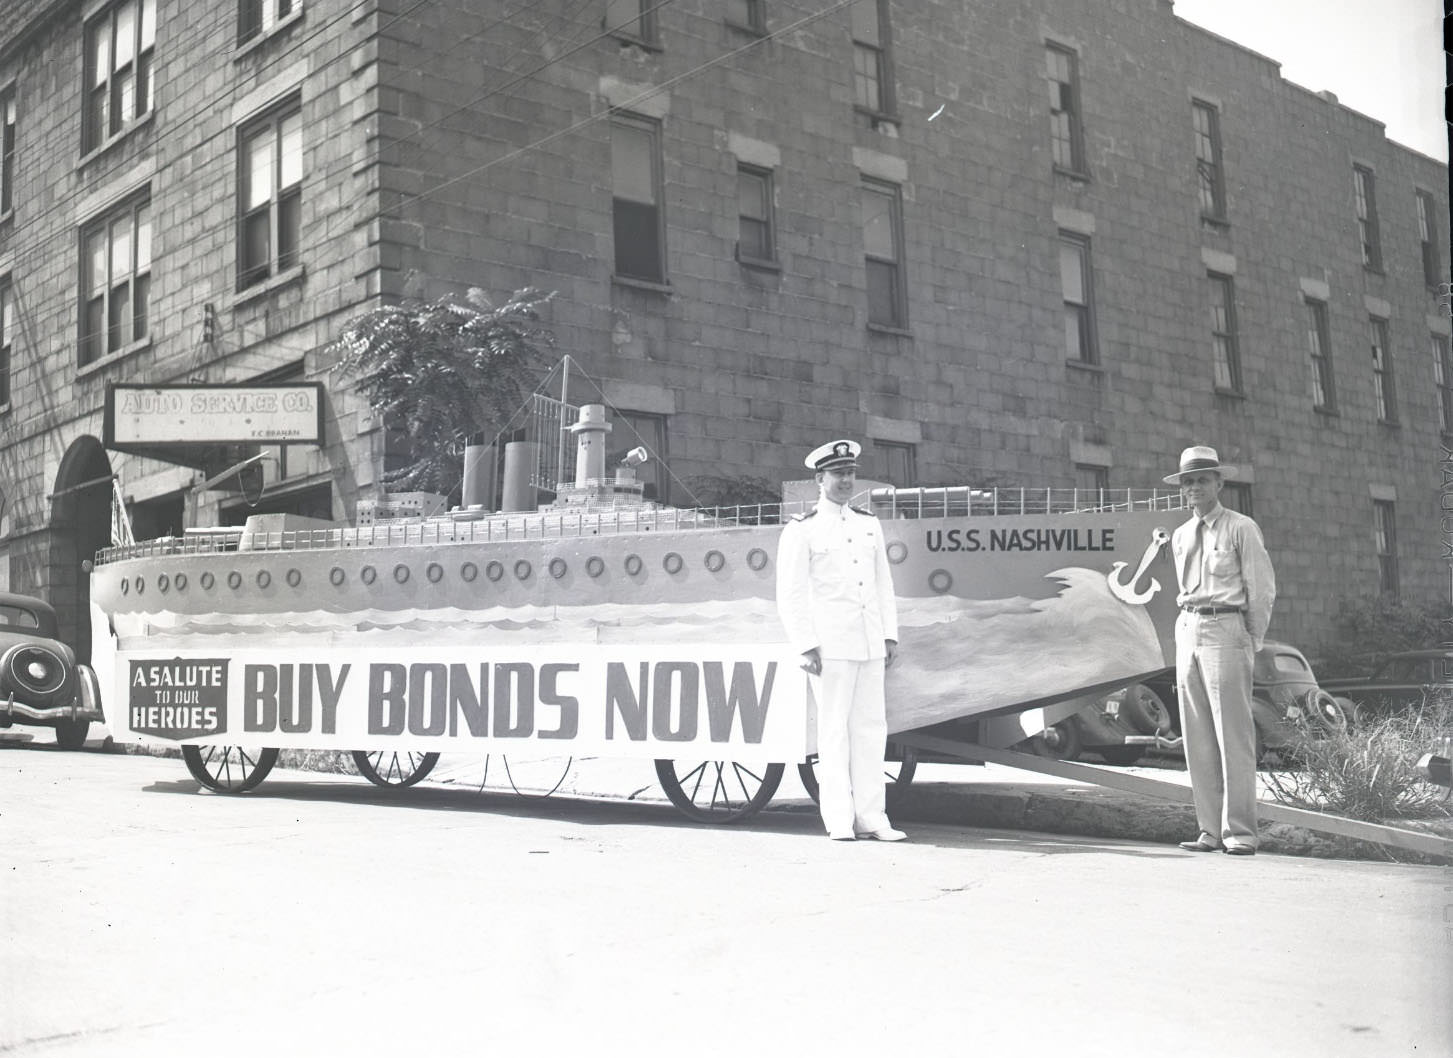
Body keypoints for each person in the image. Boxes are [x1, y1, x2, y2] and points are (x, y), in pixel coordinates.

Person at [776, 439, 905, 842]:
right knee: (833, 732)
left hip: (868, 643)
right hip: (829, 647)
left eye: (850, 473)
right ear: (820, 479)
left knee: (871, 730)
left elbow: (883, 583)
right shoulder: (803, 529)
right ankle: (838, 820)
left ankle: (873, 818)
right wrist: (804, 644)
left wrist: (888, 634)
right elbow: (791, 591)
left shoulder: (869, 524)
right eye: (838, 474)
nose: (846, 480)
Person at [1163, 445, 1276, 856]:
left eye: (1202, 480)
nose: (1194, 487)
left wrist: (1250, 638)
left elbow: (1261, 590)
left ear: (1219, 483)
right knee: (1197, 736)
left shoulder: (1240, 528)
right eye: (1188, 481)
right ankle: (1208, 831)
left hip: (1226, 627)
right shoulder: (1179, 535)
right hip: (1188, 627)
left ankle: (1240, 832)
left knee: (1234, 735)